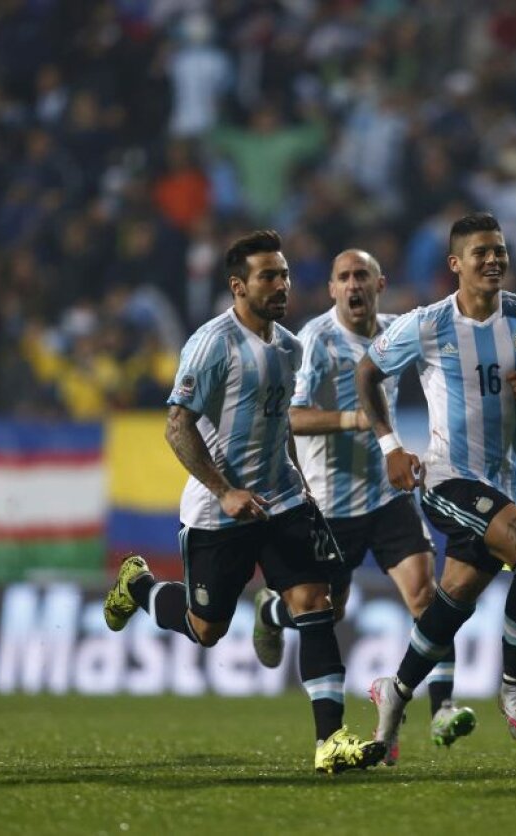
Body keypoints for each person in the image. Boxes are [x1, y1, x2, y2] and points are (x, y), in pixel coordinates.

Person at [102, 230, 385, 775]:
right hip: (220, 510)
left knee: (315, 603)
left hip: (281, 499)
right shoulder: (213, 345)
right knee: (206, 628)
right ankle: (136, 585)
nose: (282, 284)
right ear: (238, 286)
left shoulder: (289, 347)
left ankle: (331, 740)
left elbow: (280, 429)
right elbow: (177, 427)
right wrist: (224, 490)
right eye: (268, 276)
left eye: (283, 274)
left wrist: (301, 488)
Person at [356, 212, 516, 759]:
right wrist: (391, 447)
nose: (493, 260)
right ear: (456, 264)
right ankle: (514, 688)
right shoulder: (429, 323)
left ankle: (395, 690)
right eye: (481, 252)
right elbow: (367, 372)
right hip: (447, 479)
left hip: (506, 486)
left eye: (500, 251)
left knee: (454, 600)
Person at [252, 248, 476, 763]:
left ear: (380, 283)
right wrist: (355, 421)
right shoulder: (315, 340)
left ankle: (442, 708)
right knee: (330, 611)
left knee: (427, 597)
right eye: (343, 277)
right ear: (331, 289)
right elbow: (292, 417)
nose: (353, 285)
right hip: (328, 505)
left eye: (362, 276)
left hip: (386, 498)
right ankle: (271, 610)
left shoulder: (398, 332)